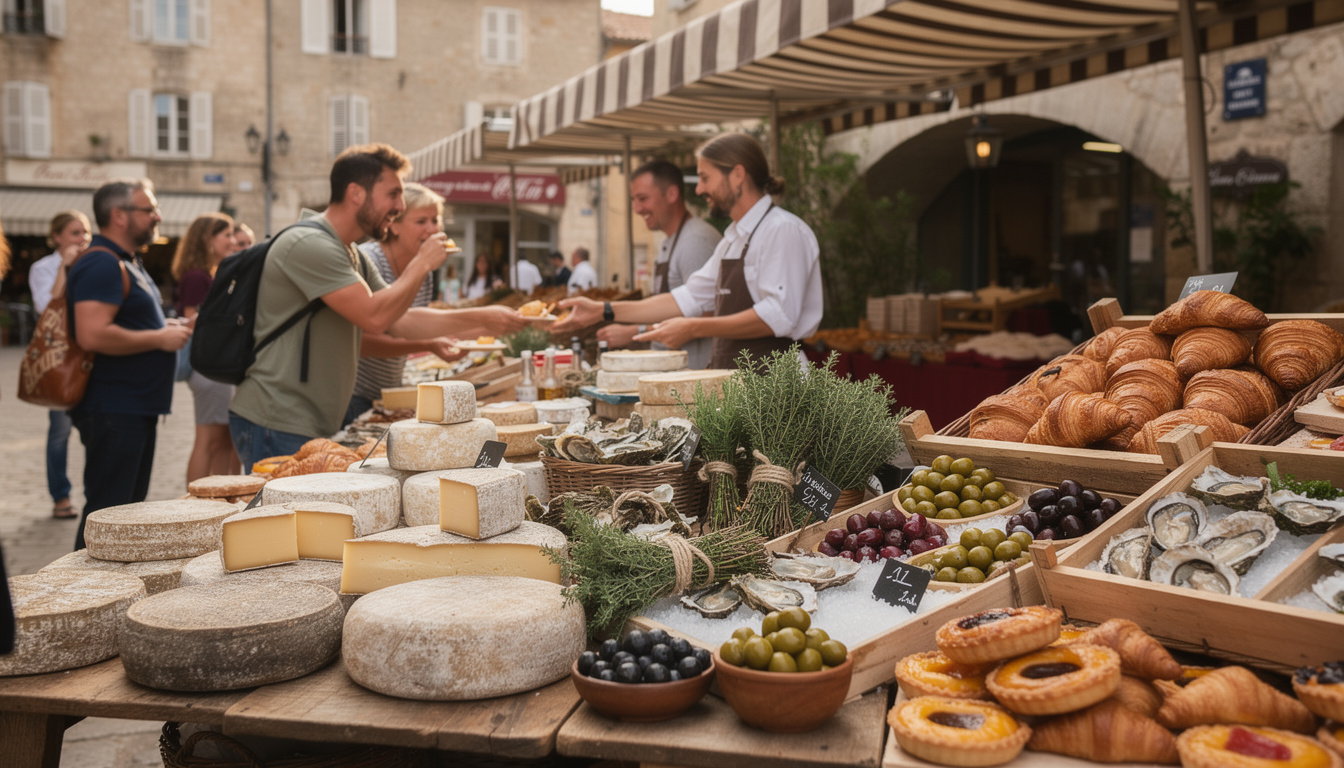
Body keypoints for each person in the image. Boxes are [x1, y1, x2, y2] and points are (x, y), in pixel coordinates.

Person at [228, 143, 527, 468]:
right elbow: (374, 317)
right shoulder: (309, 244)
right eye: (393, 194)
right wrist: (422, 265)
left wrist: (485, 318)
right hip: (278, 419)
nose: (399, 206)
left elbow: (400, 321)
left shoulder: (347, 250)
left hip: (306, 418)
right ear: (356, 193)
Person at [552, 132, 822, 369]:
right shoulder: (732, 240)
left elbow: (778, 315)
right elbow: (686, 298)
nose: (699, 188)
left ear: (738, 175)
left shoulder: (782, 230)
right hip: (736, 384)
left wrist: (694, 326)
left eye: (705, 177)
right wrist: (603, 310)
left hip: (778, 388)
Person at [67, 179, 193, 550]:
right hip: (114, 407)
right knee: (107, 513)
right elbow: (92, 334)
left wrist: (165, 326)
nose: (157, 216)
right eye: (148, 209)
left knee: (122, 511)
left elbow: (123, 322)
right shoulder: (103, 263)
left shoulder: (125, 260)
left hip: (133, 407)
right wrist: (158, 338)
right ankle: (81, 592)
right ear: (118, 215)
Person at [346, 183, 467, 425]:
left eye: (436, 220)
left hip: (388, 391)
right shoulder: (370, 259)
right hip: (352, 393)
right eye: (421, 221)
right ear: (394, 225)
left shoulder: (425, 267)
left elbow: (410, 324)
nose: (432, 229)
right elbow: (362, 340)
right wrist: (427, 344)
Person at [599, 160, 720, 369]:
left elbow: (705, 312)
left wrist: (636, 331)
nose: (637, 209)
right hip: (674, 370)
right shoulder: (671, 241)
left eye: (643, 198)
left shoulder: (695, 242)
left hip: (694, 376)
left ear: (672, 194)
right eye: (633, 200)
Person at [28, 211, 92, 519]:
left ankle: (95, 493)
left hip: (94, 355)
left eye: (85, 232)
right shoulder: (43, 268)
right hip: (62, 359)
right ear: (57, 237)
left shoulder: (95, 260)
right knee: (60, 431)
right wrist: (66, 268)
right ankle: (60, 495)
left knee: (97, 428)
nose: (82, 239)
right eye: (75, 233)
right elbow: (46, 307)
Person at [171, 212, 242, 483]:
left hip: (214, 367)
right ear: (207, 240)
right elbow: (193, 322)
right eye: (226, 235)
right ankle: (196, 499)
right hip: (208, 369)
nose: (232, 240)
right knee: (208, 440)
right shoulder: (197, 277)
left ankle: (220, 497)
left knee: (222, 439)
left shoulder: (208, 274)